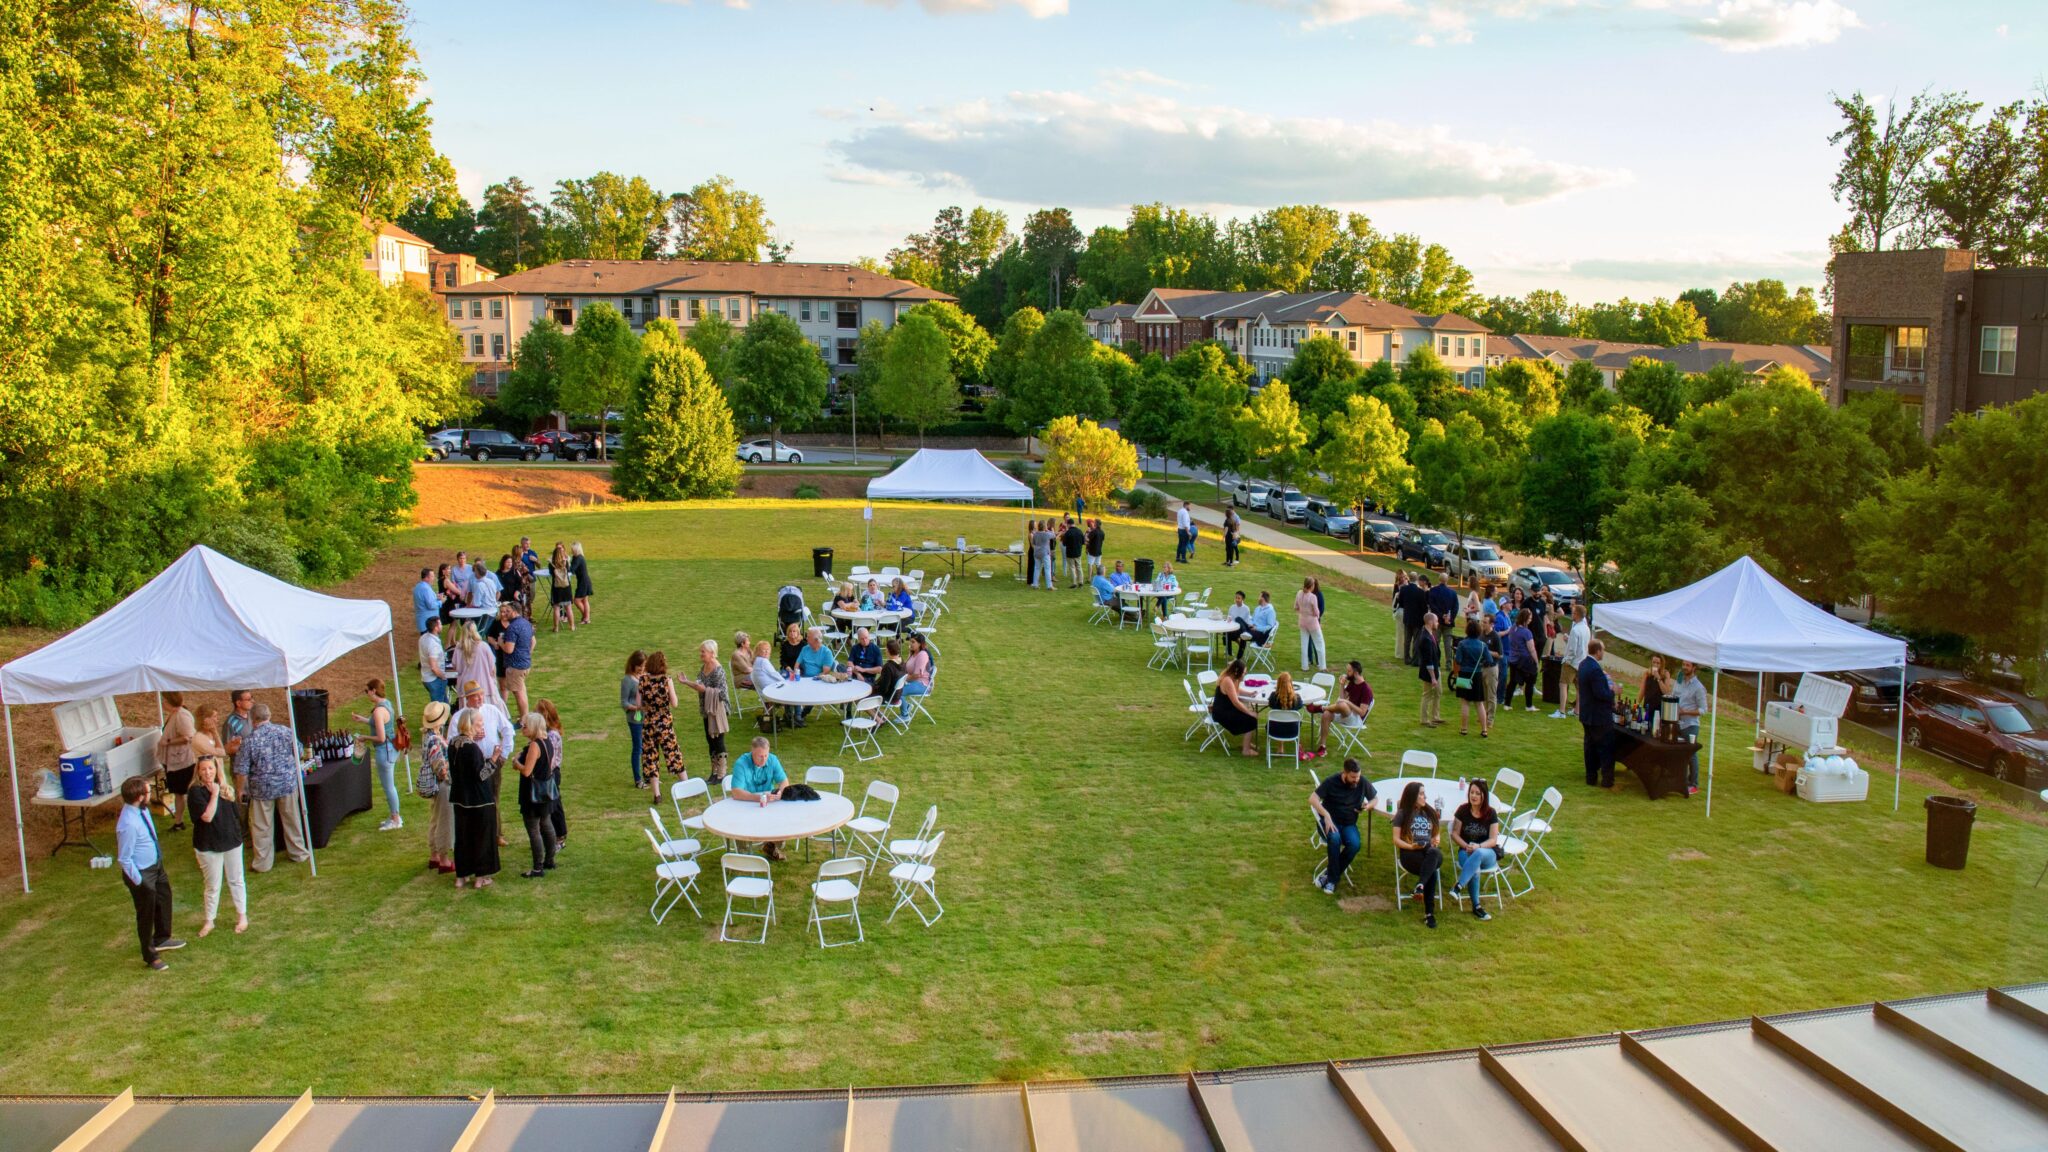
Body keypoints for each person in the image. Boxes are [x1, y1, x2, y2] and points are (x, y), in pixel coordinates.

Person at [115, 776, 183, 969]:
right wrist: (140, 881)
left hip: (155, 865)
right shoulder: (127, 824)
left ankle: (162, 938)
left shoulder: (141, 811)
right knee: (146, 914)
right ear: (139, 796)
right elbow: (124, 858)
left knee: (164, 899)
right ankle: (150, 955)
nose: (150, 794)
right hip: (142, 873)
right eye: (147, 792)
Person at [233, 703, 309, 873]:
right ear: (269, 715)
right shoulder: (285, 731)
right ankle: (298, 853)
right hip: (287, 784)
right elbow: (300, 752)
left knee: (262, 826)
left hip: (262, 790)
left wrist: (240, 790)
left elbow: (241, 770)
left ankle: (263, 863)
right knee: (292, 819)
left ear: (253, 720)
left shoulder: (250, 740)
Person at [187, 754, 247, 937]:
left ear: (216, 769)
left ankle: (242, 916)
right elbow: (207, 817)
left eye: (211, 768)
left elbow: (235, 814)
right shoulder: (195, 792)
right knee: (212, 885)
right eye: (204, 769)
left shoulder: (225, 789)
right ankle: (209, 920)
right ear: (198, 771)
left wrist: (221, 789)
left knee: (236, 879)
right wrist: (214, 794)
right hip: (208, 844)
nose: (207, 772)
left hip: (231, 841)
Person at [447, 709, 499, 888]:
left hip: (460, 798)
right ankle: (481, 876)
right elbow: (482, 775)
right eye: (479, 722)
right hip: (479, 800)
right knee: (482, 837)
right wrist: (494, 759)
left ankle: (461, 875)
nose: (481, 725)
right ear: (470, 724)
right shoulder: (472, 748)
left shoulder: (453, 743)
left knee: (463, 837)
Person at [1311, 758, 1376, 894]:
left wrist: (1367, 806)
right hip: (1330, 822)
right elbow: (1312, 799)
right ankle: (1333, 881)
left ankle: (1329, 876)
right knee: (1335, 839)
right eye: (1353, 777)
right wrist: (1326, 816)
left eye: (1358, 776)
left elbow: (1375, 798)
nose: (1356, 780)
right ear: (1344, 773)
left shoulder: (1362, 782)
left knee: (1355, 845)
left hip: (1348, 824)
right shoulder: (1331, 781)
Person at [728, 736, 790, 861]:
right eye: (760, 756)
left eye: (766, 755)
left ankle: (770, 846)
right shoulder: (741, 763)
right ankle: (743, 856)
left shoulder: (772, 760)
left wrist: (781, 792)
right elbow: (736, 792)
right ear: (752, 752)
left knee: (784, 825)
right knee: (742, 825)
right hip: (745, 804)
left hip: (768, 804)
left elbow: (784, 781)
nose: (764, 760)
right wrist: (759, 798)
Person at [512, 712, 558, 878]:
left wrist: (516, 763)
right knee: (546, 824)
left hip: (533, 793)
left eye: (525, 726)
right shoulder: (548, 742)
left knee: (533, 829)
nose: (522, 728)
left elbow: (527, 771)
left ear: (533, 727)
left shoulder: (534, 746)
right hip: (545, 791)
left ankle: (538, 867)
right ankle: (550, 860)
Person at [1391, 781, 1442, 929]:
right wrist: (1411, 846)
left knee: (1432, 853)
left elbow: (1437, 833)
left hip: (1429, 850)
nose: (1424, 796)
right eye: (1421, 794)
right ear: (1413, 796)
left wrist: (1436, 838)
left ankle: (1420, 886)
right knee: (1430, 868)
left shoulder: (1429, 811)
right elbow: (1395, 839)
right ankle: (1429, 914)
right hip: (1410, 854)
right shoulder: (1402, 814)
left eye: (1424, 793)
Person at [1449, 778, 1501, 921]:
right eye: (1472, 792)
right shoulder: (1463, 810)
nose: (1474, 796)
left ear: (1484, 795)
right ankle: (1477, 907)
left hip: (1487, 853)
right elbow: (1454, 833)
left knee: (1478, 853)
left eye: (1478, 793)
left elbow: (1493, 840)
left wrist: (1478, 846)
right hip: (1465, 851)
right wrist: (1466, 846)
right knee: (1475, 869)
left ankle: (1458, 886)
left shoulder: (1491, 813)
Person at [354, 679, 402, 831]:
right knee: (389, 786)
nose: (366, 694)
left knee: (389, 787)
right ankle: (394, 815)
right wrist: (363, 719)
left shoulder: (378, 711)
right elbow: (381, 723)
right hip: (391, 748)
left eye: (366, 691)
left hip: (384, 750)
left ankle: (395, 819)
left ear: (373, 691)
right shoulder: (386, 704)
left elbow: (380, 737)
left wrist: (364, 738)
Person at [684, 639, 731, 782]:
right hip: (706, 709)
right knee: (710, 740)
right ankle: (714, 772)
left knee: (718, 740)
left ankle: (722, 774)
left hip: (717, 710)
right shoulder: (705, 667)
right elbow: (699, 684)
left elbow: (722, 693)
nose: (701, 654)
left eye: (703, 651)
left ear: (712, 653)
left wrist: (705, 690)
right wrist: (686, 682)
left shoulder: (718, 670)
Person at [639, 651, 685, 788]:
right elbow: (675, 703)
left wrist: (649, 707)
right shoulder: (666, 680)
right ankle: (686, 784)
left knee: (650, 757)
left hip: (648, 724)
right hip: (665, 724)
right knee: (673, 754)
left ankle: (657, 794)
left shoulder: (642, 680)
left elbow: (638, 704)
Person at [1310, 660, 1374, 758]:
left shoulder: (1366, 689)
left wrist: (1348, 703)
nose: (1347, 674)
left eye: (1349, 671)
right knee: (1327, 714)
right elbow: (1342, 698)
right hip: (1345, 713)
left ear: (1355, 673)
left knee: (1343, 704)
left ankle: (1321, 708)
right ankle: (1322, 746)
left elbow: (1362, 712)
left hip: (1356, 719)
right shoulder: (1352, 683)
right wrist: (1341, 684)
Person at [419, 701, 454, 874]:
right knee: (444, 821)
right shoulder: (435, 740)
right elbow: (440, 768)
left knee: (435, 818)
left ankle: (434, 855)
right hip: (442, 785)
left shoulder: (427, 736)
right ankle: (444, 859)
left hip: (434, 786)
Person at [1578, 639, 1617, 788]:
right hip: (1598, 716)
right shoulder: (1595, 669)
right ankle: (1607, 780)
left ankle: (1591, 777)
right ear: (1598, 651)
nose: (1604, 652)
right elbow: (1601, 694)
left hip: (1587, 713)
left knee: (1589, 747)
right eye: (1603, 649)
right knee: (1605, 748)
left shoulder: (1583, 664)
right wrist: (1613, 691)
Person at [155, 691, 196, 831]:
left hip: (182, 762)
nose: (162, 703)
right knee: (179, 793)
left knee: (183, 792)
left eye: (164, 700)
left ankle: (186, 820)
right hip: (176, 761)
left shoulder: (181, 715)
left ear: (169, 702)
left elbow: (189, 737)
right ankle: (179, 821)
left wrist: (169, 741)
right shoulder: (177, 713)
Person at [1210, 659, 1260, 757]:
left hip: (1226, 709)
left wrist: (1249, 693)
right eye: (1244, 673)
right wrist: (1250, 713)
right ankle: (1246, 750)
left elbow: (1236, 690)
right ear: (1237, 672)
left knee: (1249, 713)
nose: (1244, 675)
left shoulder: (1233, 678)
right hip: (1222, 713)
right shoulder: (1227, 680)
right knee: (1251, 719)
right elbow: (1236, 702)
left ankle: (1247, 743)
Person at [1453, 620, 1495, 737]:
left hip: (1464, 675)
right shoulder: (1483, 645)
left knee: (1465, 703)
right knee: (1479, 703)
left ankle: (1464, 728)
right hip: (1477, 675)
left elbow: (1458, 660)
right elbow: (1490, 660)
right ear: (1478, 631)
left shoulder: (1462, 644)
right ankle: (1484, 729)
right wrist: (1480, 663)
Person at [535, 698, 567, 847]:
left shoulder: (552, 734)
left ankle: (560, 835)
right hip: (550, 772)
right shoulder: (548, 732)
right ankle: (551, 835)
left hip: (552, 772)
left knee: (554, 804)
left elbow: (551, 758)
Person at [451, 622, 502, 713]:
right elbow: (492, 667)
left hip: (466, 686)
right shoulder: (483, 646)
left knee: (468, 716)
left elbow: (455, 667)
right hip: (484, 685)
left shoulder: (458, 648)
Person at [495, 601, 535, 718]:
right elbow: (533, 641)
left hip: (515, 665)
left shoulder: (512, 628)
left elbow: (508, 649)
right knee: (522, 691)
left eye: (508, 611)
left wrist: (501, 642)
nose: (505, 613)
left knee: (519, 693)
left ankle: (523, 719)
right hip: (525, 663)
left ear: (514, 611)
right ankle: (524, 716)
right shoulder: (526, 623)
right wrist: (527, 653)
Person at [1676, 660, 1708, 796]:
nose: (1684, 667)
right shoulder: (1679, 681)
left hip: (1691, 725)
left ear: (1694, 668)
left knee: (1691, 754)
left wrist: (1685, 712)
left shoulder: (1698, 687)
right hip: (1677, 723)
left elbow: (1703, 710)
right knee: (1678, 753)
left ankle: (1693, 784)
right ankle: (1679, 779)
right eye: (1683, 665)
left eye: (1687, 665)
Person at [1503, 609, 1540, 712]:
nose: (1530, 620)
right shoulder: (1526, 632)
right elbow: (1531, 649)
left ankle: (1507, 704)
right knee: (1530, 682)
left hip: (1514, 659)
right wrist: (1536, 662)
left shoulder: (1513, 628)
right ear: (1525, 618)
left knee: (1513, 682)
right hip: (1525, 660)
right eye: (1530, 618)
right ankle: (1529, 706)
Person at [1561, 603, 1591, 719]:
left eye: (1573, 613)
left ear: (1577, 615)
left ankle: (1562, 711)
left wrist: (1567, 660)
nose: (1572, 614)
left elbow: (1573, 649)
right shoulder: (1586, 629)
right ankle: (1577, 711)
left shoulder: (1575, 630)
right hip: (1582, 662)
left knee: (1563, 684)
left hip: (1572, 662)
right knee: (1579, 688)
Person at [621, 651, 646, 788]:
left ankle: (649, 776)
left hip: (647, 718)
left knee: (647, 747)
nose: (642, 669)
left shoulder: (644, 676)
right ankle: (638, 779)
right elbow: (623, 702)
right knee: (638, 748)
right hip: (635, 719)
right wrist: (636, 708)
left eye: (643, 665)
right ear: (633, 665)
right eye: (639, 666)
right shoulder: (627, 680)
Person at [1415, 613, 1443, 727]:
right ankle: (1424, 719)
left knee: (1438, 692)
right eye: (1436, 621)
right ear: (1430, 622)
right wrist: (1432, 677)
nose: (1438, 623)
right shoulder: (1425, 638)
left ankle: (1435, 716)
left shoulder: (1430, 634)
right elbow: (1428, 660)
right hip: (1429, 672)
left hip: (1436, 669)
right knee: (1427, 694)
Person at [418, 616, 452, 705]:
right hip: (435, 680)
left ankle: (448, 717)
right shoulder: (433, 645)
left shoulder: (424, 637)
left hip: (427, 677)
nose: (441, 626)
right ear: (436, 627)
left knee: (445, 704)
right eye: (440, 624)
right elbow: (434, 667)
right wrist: (443, 676)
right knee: (438, 708)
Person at [899, 633, 933, 720]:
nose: (910, 644)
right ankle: (906, 706)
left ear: (919, 644)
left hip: (922, 684)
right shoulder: (912, 654)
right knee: (894, 686)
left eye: (913, 642)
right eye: (910, 641)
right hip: (913, 681)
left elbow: (917, 675)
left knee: (897, 691)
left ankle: (905, 715)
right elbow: (906, 668)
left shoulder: (922, 655)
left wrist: (903, 679)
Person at [1396, 573, 1428, 665]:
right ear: (1417, 579)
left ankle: (1406, 658)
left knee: (1407, 639)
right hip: (1418, 619)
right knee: (1416, 640)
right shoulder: (1421, 592)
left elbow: (1401, 603)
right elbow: (1424, 607)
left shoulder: (1404, 589)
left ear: (1409, 578)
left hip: (1407, 617)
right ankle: (1415, 659)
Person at [1295, 578, 1325, 671]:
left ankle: (1304, 666)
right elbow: (1317, 612)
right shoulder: (1313, 597)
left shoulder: (1299, 593)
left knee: (1304, 644)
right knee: (1320, 644)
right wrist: (1314, 614)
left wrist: (1303, 612)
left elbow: (1295, 607)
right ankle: (1322, 666)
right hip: (1312, 623)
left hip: (1302, 622)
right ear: (1312, 586)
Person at [872, 639, 906, 712]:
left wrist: (873, 689)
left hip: (888, 697)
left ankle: (878, 718)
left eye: (886, 649)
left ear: (888, 650)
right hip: (897, 696)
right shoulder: (902, 662)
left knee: (864, 698)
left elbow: (884, 688)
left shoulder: (888, 667)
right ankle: (878, 716)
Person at [1639, 655, 1674, 726]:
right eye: (1654, 662)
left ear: (1661, 664)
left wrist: (1658, 678)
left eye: (1658, 663)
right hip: (1648, 706)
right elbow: (1642, 690)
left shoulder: (1665, 674)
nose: (1655, 665)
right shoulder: (1647, 673)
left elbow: (1667, 692)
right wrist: (1637, 703)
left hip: (1659, 709)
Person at [547, 543, 574, 633]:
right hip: (566, 587)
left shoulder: (552, 564)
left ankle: (556, 627)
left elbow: (551, 573)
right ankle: (572, 626)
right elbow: (569, 571)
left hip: (556, 587)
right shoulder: (565, 562)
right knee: (568, 608)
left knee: (556, 608)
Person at [223, 689, 254, 761]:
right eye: (249, 699)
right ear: (238, 703)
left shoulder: (253, 716)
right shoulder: (230, 722)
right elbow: (227, 749)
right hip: (240, 767)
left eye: (252, 698)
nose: (252, 701)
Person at [569, 541, 593, 625]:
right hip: (584, 581)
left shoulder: (579, 558)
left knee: (577, 600)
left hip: (583, 582)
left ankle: (585, 617)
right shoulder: (576, 557)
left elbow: (572, 570)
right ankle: (586, 618)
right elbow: (574, 570)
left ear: (576, 550)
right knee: (585, 600)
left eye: (572, 549)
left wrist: (565, 562)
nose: (571, 551)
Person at [412, 568, 440, 635]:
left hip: (422, 622)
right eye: (432, 576)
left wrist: (436, 597)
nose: (434, 578)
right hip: (429, 623)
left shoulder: (417, 587)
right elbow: (431, 605)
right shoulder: (426, 589)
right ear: (427, 578)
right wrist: (441, 602)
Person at [1031, 519, 1055, 591]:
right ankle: (1049, 586)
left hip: (1037, 553)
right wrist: (1048, 530)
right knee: (1047, 569)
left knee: (1037, 568)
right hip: (1045, 553)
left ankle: (1035, 584)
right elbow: (1053, 535)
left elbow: (1034, 543)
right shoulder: (1046, 534)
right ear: (1044, 527)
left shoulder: (1035, 534)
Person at [1062, 517, 1086, 586]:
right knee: (1079, 566)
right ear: (1074, 524)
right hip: (1078, 552)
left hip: (1070, 553)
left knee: (1072, 568)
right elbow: (1083, 542)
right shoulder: (1079, 531)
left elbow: (1064, 544)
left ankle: (1074, 582)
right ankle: (1081, 581)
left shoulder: (1067, 533)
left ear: (1068, 524)